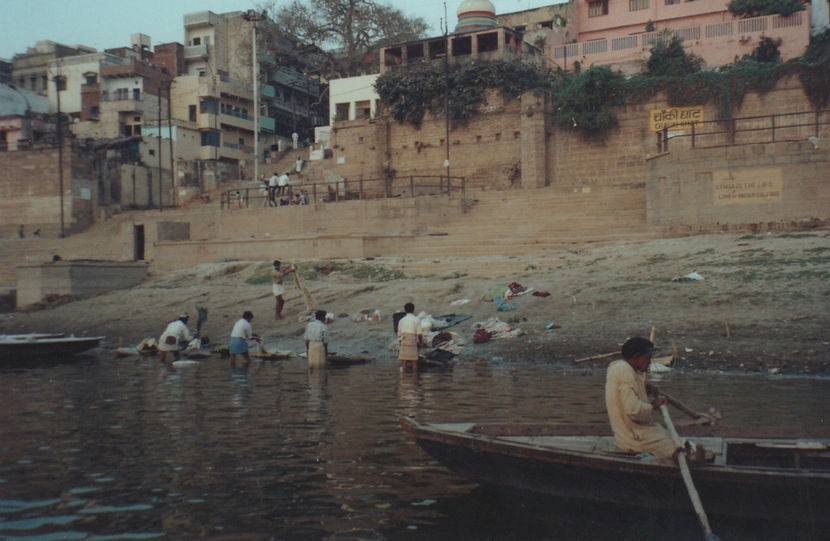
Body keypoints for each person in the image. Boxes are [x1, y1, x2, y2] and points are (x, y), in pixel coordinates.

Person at [605, 336, 679, 458]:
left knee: (670, 436)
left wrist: (644, 387)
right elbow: (633, 410)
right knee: (677, 448)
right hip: (634, 438)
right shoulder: (625, 371)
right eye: (648, 358)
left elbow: (628, 392)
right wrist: (654, 406)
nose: (650, 362)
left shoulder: (618, 367)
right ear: (637, 357)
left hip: (630, 433)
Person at [397, 302, 422, 371]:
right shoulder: (417, 319)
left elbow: (399, 334)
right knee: (414, 362)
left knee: (404, 361)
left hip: (404, 340)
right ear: (413, 310)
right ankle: (414, 378)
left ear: (405, 310)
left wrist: (400, 343)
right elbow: (419, 334)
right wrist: (420, 342)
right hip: (412, 341)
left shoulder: (401, 320)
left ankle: (404, 378)